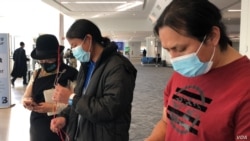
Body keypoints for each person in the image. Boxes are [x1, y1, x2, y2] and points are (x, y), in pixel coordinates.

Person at [145, 0, 250, 141]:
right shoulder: (183, 71)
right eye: (168, 50)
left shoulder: (245, 87)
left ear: (212, 36)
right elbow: (166, 122)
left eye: (180, 49)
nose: (174, 59)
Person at [50, 19, 137, 141]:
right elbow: (81, 99)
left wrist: (71, 98)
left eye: (75, 45)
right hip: (83, 134)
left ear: (88, 39)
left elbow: (109, 109)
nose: (73, 50)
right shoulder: (86, 65)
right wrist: (65, 117)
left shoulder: (118, 67)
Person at [22, 34, 78, 141]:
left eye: (49, 60)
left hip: (61, 123)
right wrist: (27, 101)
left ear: (58, 56)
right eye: (41, 61)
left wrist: (53, 107)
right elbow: (26, 96)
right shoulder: (36, 74)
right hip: (38, 125)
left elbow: (77, 103)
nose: (45, 64)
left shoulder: (71, 74)